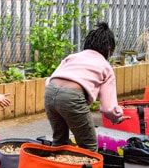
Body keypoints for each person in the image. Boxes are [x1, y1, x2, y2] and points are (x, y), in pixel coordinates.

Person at [44, 22, 129, 151]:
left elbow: (53, 78)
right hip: (72, 96)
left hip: (50, 93)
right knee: (89, 146)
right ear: (110, 49)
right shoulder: (105, 66)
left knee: (60, 142)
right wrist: (116, 116)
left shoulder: (72, 57)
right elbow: (108, 108)